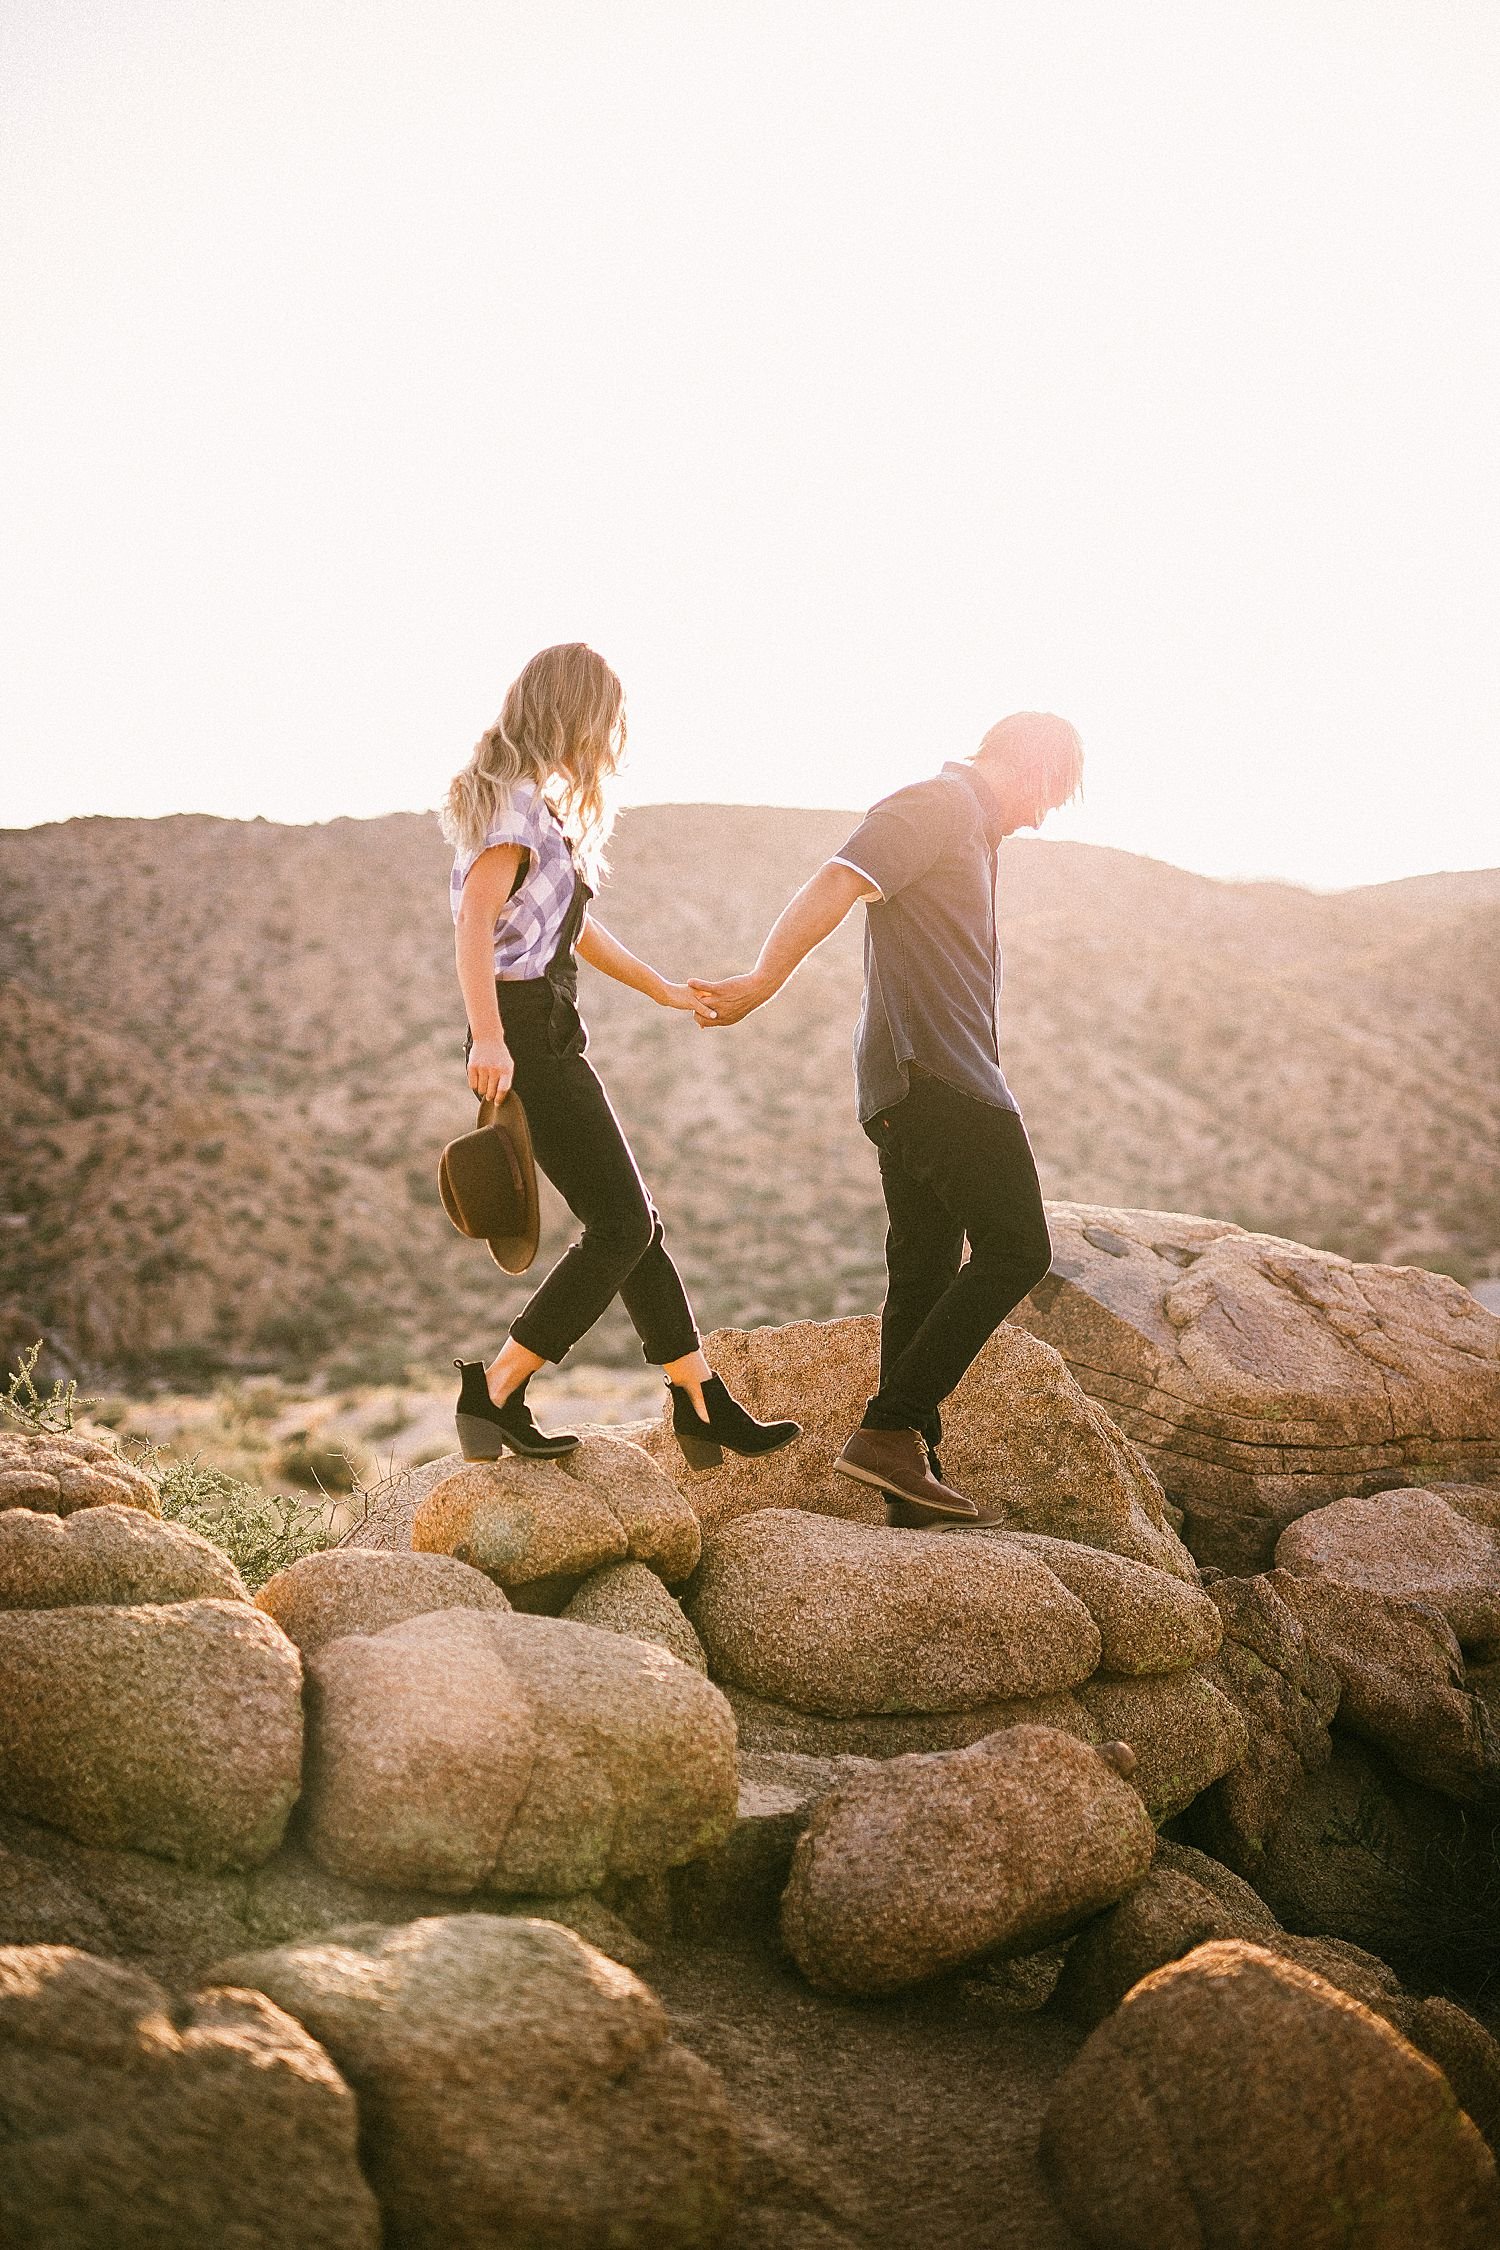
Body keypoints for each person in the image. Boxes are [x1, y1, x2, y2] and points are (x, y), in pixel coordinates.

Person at [690, 712, 1083, 1527]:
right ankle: (892, 1426)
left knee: (924, 1273)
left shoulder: (972, 830)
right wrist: (762, 981)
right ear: (1034, 768)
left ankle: (912, 1474)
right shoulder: (937, 805)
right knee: (1018, 1248)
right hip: (939, 1078)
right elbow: (837, 879)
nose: (1045, 816)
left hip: (912, 1083)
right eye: (1053, 793)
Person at [443, 641, 800, 1468]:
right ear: (574, 714)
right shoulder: (511, 808)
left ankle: (698, 1394)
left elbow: (575, 928)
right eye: (606, 720)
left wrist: (662, 989)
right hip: (525, 1029)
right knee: (623, 1227)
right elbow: (474, 926)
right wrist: (491, 1037)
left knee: (634, 1222)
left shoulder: (537, 807)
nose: (612, 737)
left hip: (547, 1025)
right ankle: (497, 1389)